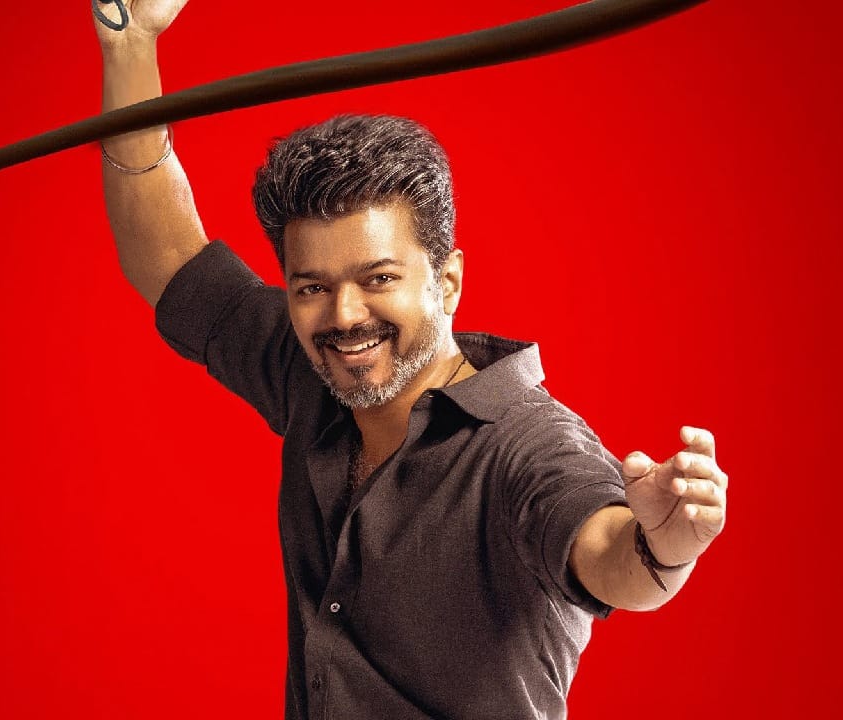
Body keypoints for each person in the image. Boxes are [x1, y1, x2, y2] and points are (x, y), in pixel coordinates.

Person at [91, 2, 729, 719]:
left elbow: (605, 554)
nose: (344, 316)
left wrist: (661, 550)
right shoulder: (315, 376)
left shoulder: (530, 444)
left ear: (447, 281)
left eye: (379, 278)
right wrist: (129, 43)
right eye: (312, 287)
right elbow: (168, 259)